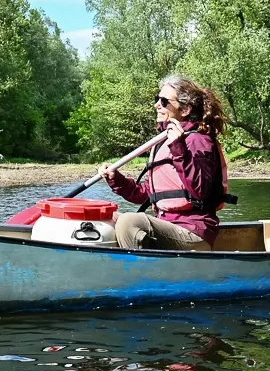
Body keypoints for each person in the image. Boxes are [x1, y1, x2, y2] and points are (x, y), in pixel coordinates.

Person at [99, 75, 230, 251]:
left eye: (164, 101)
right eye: (157, 99)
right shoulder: (163, 142)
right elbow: (146, 195)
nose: (157, 105)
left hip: (193, 232)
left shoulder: (198, 140)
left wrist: (178, 147)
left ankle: (142, 274)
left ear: (185, 110)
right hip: (167, 225)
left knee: (128, 222)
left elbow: (201, 191)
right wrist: (116, 179)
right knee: (107, 218)